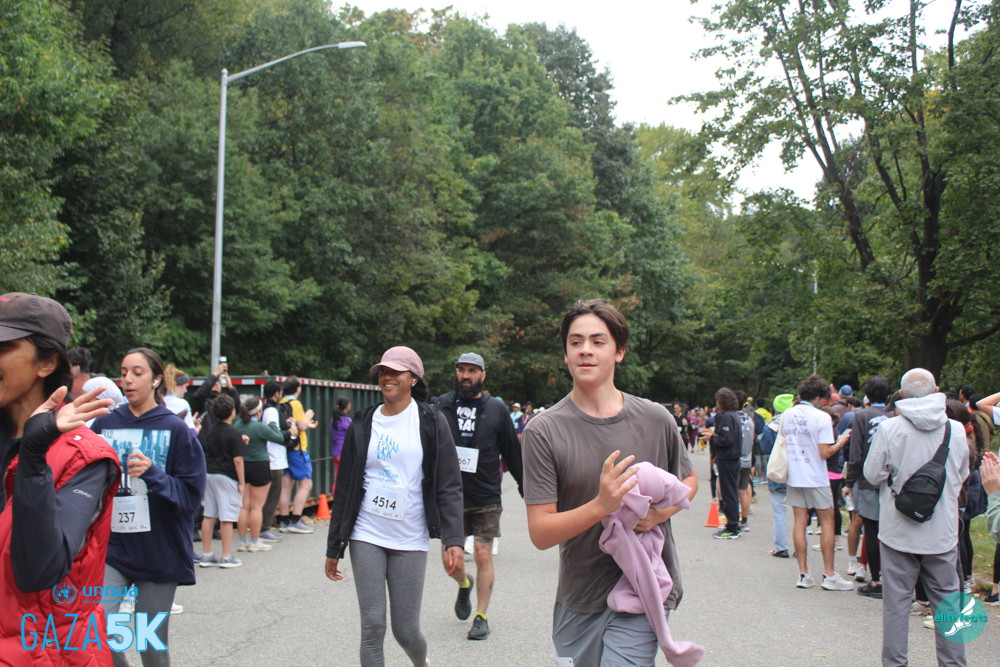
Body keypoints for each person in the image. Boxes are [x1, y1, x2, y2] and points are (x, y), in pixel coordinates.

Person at [522, 299, 697, 666]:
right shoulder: (544, 430)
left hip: (644, 588)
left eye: (598, 341)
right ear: (565, 354)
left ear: (619, 352)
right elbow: (540, 532)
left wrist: (659, 514)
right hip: (580, 595)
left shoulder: (656, 419)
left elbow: (688, 479)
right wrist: (601, 506)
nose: (585, 349)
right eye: (575, 342)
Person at [325, 346, 464, 667]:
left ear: (413, 378)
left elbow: (448, 484)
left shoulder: (431, 422)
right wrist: (335, 546)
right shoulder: (363, 422)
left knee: (406, 631)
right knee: (373, 626)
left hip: (410, 536)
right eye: (383, 372)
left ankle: (421, 663)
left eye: (395, 372)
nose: (387, 377)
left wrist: (453, 539)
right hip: (366, 532)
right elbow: (345, 488)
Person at [0, 293, 119, 662]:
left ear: (48, 362)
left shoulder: (85, 455)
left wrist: (33, 458)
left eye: (3, 347)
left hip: (48, 653)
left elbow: (39, 571)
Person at [92, 347, 206, 667]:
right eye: (123, 373)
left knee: (149, 644)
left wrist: (153, 474)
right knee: (99, 630)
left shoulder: (176, 429)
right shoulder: (104, 425)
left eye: (137, 373)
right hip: (113, 549)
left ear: (156, 380)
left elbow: (191, 497)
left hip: (160, 552)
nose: (127, 379)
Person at [863, 368, 969, 667]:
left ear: (901, 394)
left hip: (898, 530)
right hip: (942, 531)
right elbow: (961, 474)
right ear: (936, 390)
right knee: (948, 606)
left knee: (896, 605)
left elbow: (872, 475)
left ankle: (895, 663)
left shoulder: (889, 429)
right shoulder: (955, 430)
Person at [432, 352, 524, 640]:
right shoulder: (440, 405)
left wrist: (528, 489)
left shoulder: (496, 409)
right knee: (451, 562)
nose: (466, 375)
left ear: (483, 375)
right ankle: (464, 584)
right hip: (450, 497)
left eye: (472, 371)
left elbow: (512, 452)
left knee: (483, 553)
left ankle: (481, 616)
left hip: (486, 495)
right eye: (461, 370)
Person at [781, 375, 852, 591]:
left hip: (794, 473)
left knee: (799, 521)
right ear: (820, 397)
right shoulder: (821, 417)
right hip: (816, 476)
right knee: (827, 521)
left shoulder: (787, 414)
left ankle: (803, 573)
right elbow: (825, 452)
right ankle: (829, 574)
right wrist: (840, 443)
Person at [844, 375, 894, 598]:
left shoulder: (862, 416)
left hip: (867, 479)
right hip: (892, 479)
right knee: (891, 530)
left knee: (872, 529)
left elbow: (855, 453)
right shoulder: (895, 416)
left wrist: (849, 482)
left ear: (867, 396)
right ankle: (891, 576)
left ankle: (875, 580)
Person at [198, 394, 245, 568]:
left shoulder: (210, 430)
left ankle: (207, 554)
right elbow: (238, 460)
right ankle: (226, 556)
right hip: (227, 476)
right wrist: (241, 482)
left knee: (209, 514)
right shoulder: (234, 433)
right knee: (227, 517)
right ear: (232, 412)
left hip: (209, 474)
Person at [235, 396, 284, 553]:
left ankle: (242, 541)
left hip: (243, 465)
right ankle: (255, 542)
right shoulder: (260, 427)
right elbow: (279, 437)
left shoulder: (237, 425)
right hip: (260, 465)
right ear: (259, 412)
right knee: (256, 507)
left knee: (244, 506)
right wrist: (273, 424)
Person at [278, 377, 318, 534]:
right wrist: (308, 416)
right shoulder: (295, 404)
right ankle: (295, 520)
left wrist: (306, 424)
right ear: (298, 389)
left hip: (284, 448)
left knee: (286, 485)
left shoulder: (281, 403)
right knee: (306, 484)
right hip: (298, 448)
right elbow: (301, 425)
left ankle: (284, 521)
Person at [760, 393, 794, 557]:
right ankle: (801, 547)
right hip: (799, 473)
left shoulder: (771, 426)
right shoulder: (799, 423)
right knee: (801, 514)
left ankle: (781, 547)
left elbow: (765, 448)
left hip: (779, 472)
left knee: (779, 512)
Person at [260, 380, 295, 541]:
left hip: (274, 457)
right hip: (273, 458)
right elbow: (272, 433)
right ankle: (264, 528)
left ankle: (265, 527)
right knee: (272, 496)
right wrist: (289, 432)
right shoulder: (272, 411)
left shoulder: (269, 410)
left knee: (273, 495)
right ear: (277, 393)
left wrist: (284, 424)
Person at [709, 388, 742, 539]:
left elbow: (726, 439)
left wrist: (712, 438)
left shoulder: (726, 417)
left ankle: (732, 527)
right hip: (732, 458)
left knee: (729, 493)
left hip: (728, 458)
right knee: (731, 491)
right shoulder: (734, 415)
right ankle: (733, 524)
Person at [329, 396, 352, 497]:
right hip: (344, 453)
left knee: (338, 478)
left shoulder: (333, 420)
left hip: (336, 453)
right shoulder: (346, 421)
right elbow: (353, 434)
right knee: (347, 478)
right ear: (347, 406)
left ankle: (336, 498)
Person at [163, 365, 195, 430]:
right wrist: (196, 429)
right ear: (179, 385)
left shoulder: (157, 401)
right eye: (185, 387)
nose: (186, 391)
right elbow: (190, 431)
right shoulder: (183, 404)